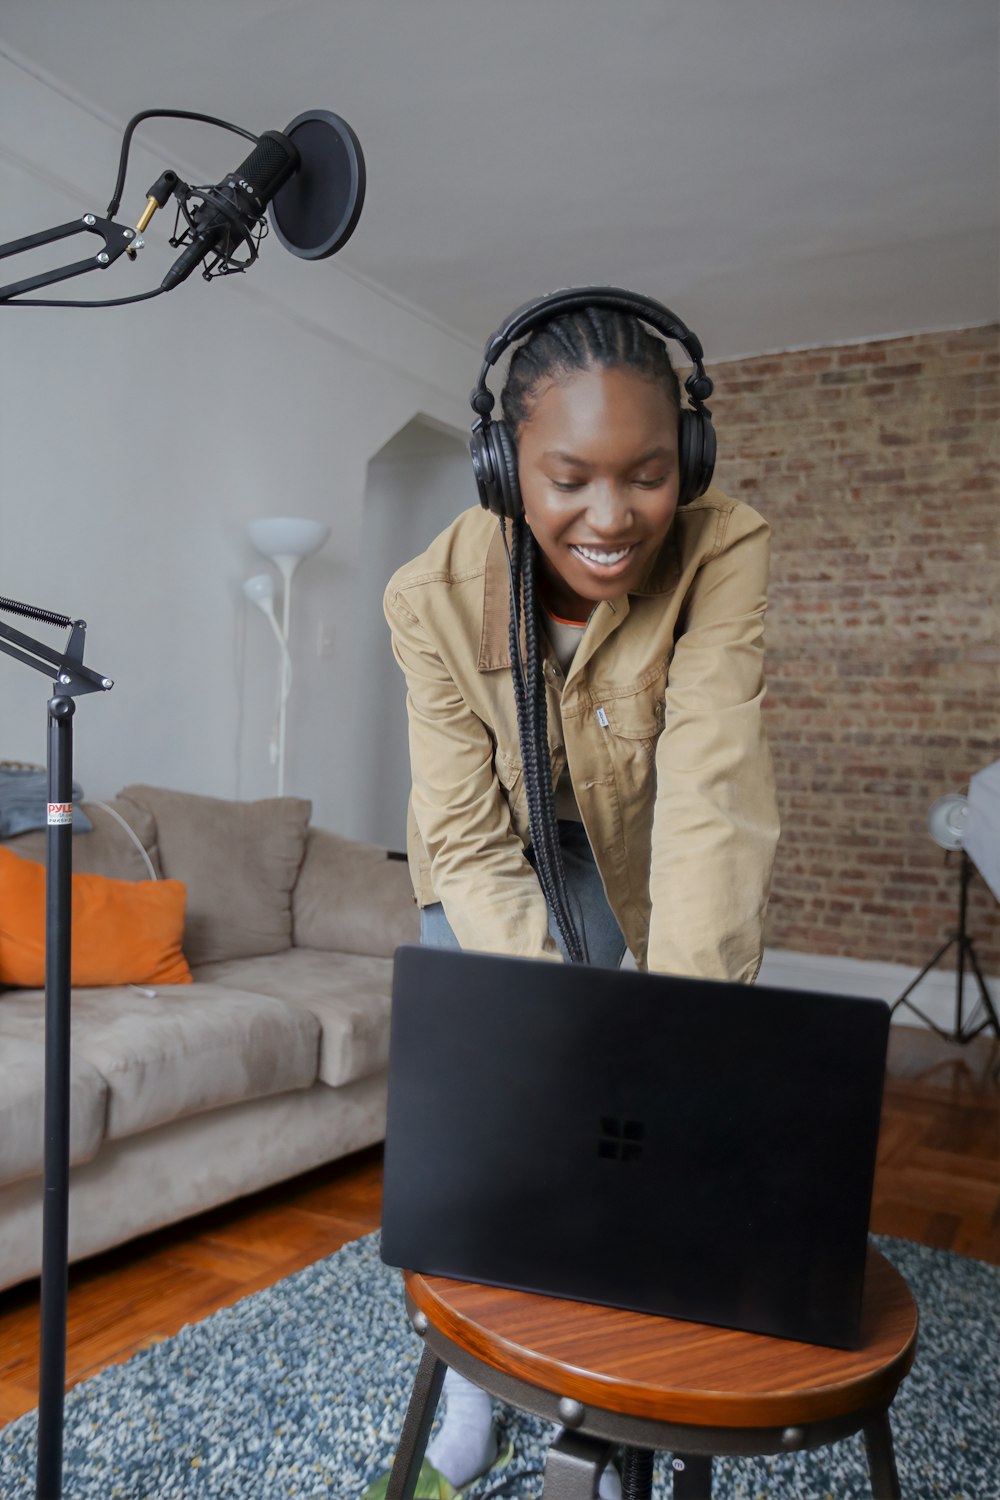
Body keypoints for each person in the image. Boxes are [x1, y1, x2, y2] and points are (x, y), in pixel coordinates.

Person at [365, 289, 780, 1499]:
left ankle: (605, 1405)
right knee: (498, 1145)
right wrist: (554, 1033)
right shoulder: (425, 596)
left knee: (643, 1140)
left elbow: (712, 792)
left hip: (640, 855)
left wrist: (686, 1034)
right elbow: (463, 828)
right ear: (503, 469)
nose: (613, 518)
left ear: (687, 461)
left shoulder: (725, 546)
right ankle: (478, 1394)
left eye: (649, 475)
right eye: (570, 478)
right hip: (491, 853)